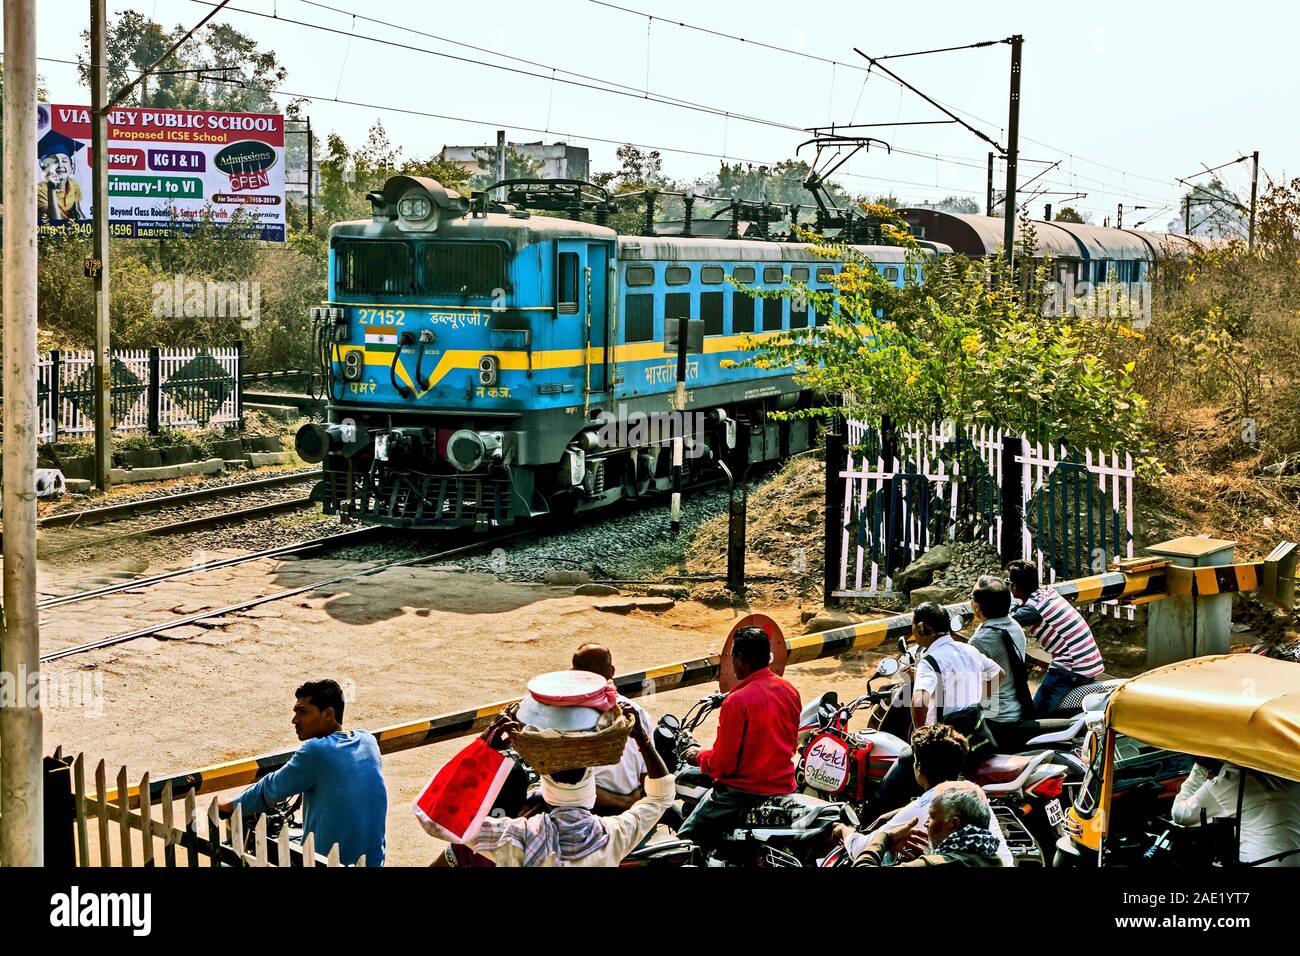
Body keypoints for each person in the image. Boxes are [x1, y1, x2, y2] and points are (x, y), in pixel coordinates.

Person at [453, 702, 675, 866]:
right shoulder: (615, 834)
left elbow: (445, 817)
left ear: (546, 790)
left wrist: (483, 748)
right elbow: (661, 796)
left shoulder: (517, 835)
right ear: (590, 790)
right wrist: (643, 741)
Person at [219, 679, 387, 866]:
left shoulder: (316, 750)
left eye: (303, 712)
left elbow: (271, 788)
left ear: (328, 714)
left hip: (326, 862)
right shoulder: (367, 740)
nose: (295, 720)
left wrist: (232, 805)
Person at [866, 602, 1002, 817]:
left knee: (883, 797)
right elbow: (998, 673)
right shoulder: (969, 649)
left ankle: (868, 832)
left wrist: (922, 738)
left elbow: (919, 699)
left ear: (921, 628)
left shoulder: (930, 660)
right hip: (975, 740)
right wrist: (976, 698)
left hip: (942, 748)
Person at [677, 626, 801, 850]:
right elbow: (791, 742)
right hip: (785, 786)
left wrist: (697, 755)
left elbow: (722, 764)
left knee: (683, 844)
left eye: (733, 655)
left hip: (742, 793)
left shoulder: (737, 701)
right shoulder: (789, 690)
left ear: (741, 659)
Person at [837, 723, 1014, 866]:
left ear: (919, 768)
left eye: (931, 816)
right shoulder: (971, 793)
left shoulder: (933, 809)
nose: (927, 821)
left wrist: (842, 830)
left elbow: (858, 849)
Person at [1007, 559, 1104, 715]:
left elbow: (1002, 620)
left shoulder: (1032, 609)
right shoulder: (1047, 592)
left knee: (1037, 716)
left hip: (1071, 668)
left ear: (1015, 587)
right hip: (1088, 663)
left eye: (1009, 583)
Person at [572, 643, 654, 814]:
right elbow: (648, 772)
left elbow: (568, 784)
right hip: (635, 810)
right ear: (611, 672)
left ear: (573, 673)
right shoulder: (637, 712)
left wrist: (626, 804)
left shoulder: (568, 717)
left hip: (593, 812)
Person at [1171, 759, 1300, 867]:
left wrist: (1200, 766)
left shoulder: (1232, 780)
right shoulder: (1286, 769)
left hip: (1260, 863)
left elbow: (1180, 814)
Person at [848, 780, 1007, 867]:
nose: (926, 823)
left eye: (931, 816)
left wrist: (885, 838)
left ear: (953, 823)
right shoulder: (996, 860)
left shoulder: (936, 864)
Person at [968, 575, 1034, 747]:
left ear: (978, 607)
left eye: (971, 597)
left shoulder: (980, 640)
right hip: (1015, 709)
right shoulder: (1013, 625)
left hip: (994, 718)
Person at [37, 130, 86, 222]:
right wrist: (51, 188)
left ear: (71, 167)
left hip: (71, 231)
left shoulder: (74, 184)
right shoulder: (40, 190)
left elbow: (79, 212)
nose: (60, 165)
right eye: (54, 162)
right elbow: (54, 221)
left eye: (64, 161)